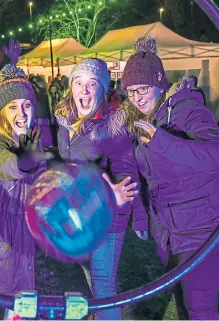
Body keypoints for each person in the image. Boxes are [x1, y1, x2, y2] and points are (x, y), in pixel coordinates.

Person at [121, 35, 219, 320]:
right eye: (131, 91)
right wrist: (141, 217)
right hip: (170, 235)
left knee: (200, 310)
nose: (137, 97)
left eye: (143, 88)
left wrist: (161, 141)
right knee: (184, 305)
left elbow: (218, 155)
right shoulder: (141, 120)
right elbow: (144, 177)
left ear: (159, 83)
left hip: (206, 230)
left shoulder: (186, 110)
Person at [54, 58, 148, 320]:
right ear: (71, 86)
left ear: (103, 89)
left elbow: (127, 179)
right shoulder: (65, 122)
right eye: (79, 82)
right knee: (91, 277)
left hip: (108, 212)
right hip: (81, 209)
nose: (84, 90)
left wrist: (127, 207)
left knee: (104, 283)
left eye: (92, 84)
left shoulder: (114, 126)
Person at [0, 64, 54, 320]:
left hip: (34, 244)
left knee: (32, 309)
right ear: (2, 111)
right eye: (12, 106)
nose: (21, 113)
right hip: (9, 244)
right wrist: (23, 162)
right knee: (13, 311)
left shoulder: (35, 137)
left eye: (26, 104)